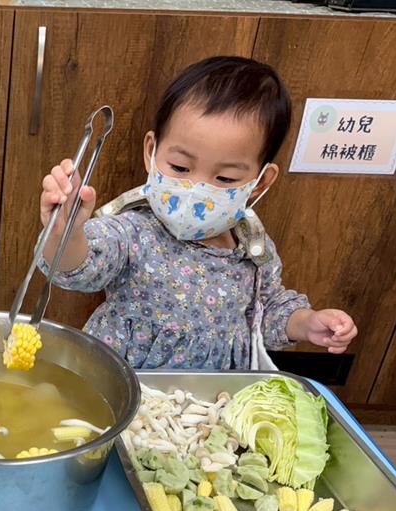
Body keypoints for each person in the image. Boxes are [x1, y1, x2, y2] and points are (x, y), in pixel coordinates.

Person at [38, 56, 357, 369]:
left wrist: (306, 323)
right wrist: (65, 232)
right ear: (151, 152)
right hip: (125, 382)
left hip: (211, 394)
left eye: (225, 178)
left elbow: (267, 310)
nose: (196, 189)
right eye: (180, 167)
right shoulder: (135, 231)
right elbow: (80, 265)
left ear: (260, 182)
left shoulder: (253, 248)